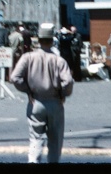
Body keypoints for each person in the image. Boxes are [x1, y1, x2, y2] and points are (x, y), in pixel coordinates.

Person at [10, 22, 75, 164]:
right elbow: (68, 82)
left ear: (38, 40)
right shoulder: (59, 60)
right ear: (52, 41)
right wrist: (63, 94)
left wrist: (27, 90)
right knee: (55, 140)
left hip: (35, 101)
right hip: (54, 101)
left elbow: (15, 77)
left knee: (35, 138)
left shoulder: (28, 58)